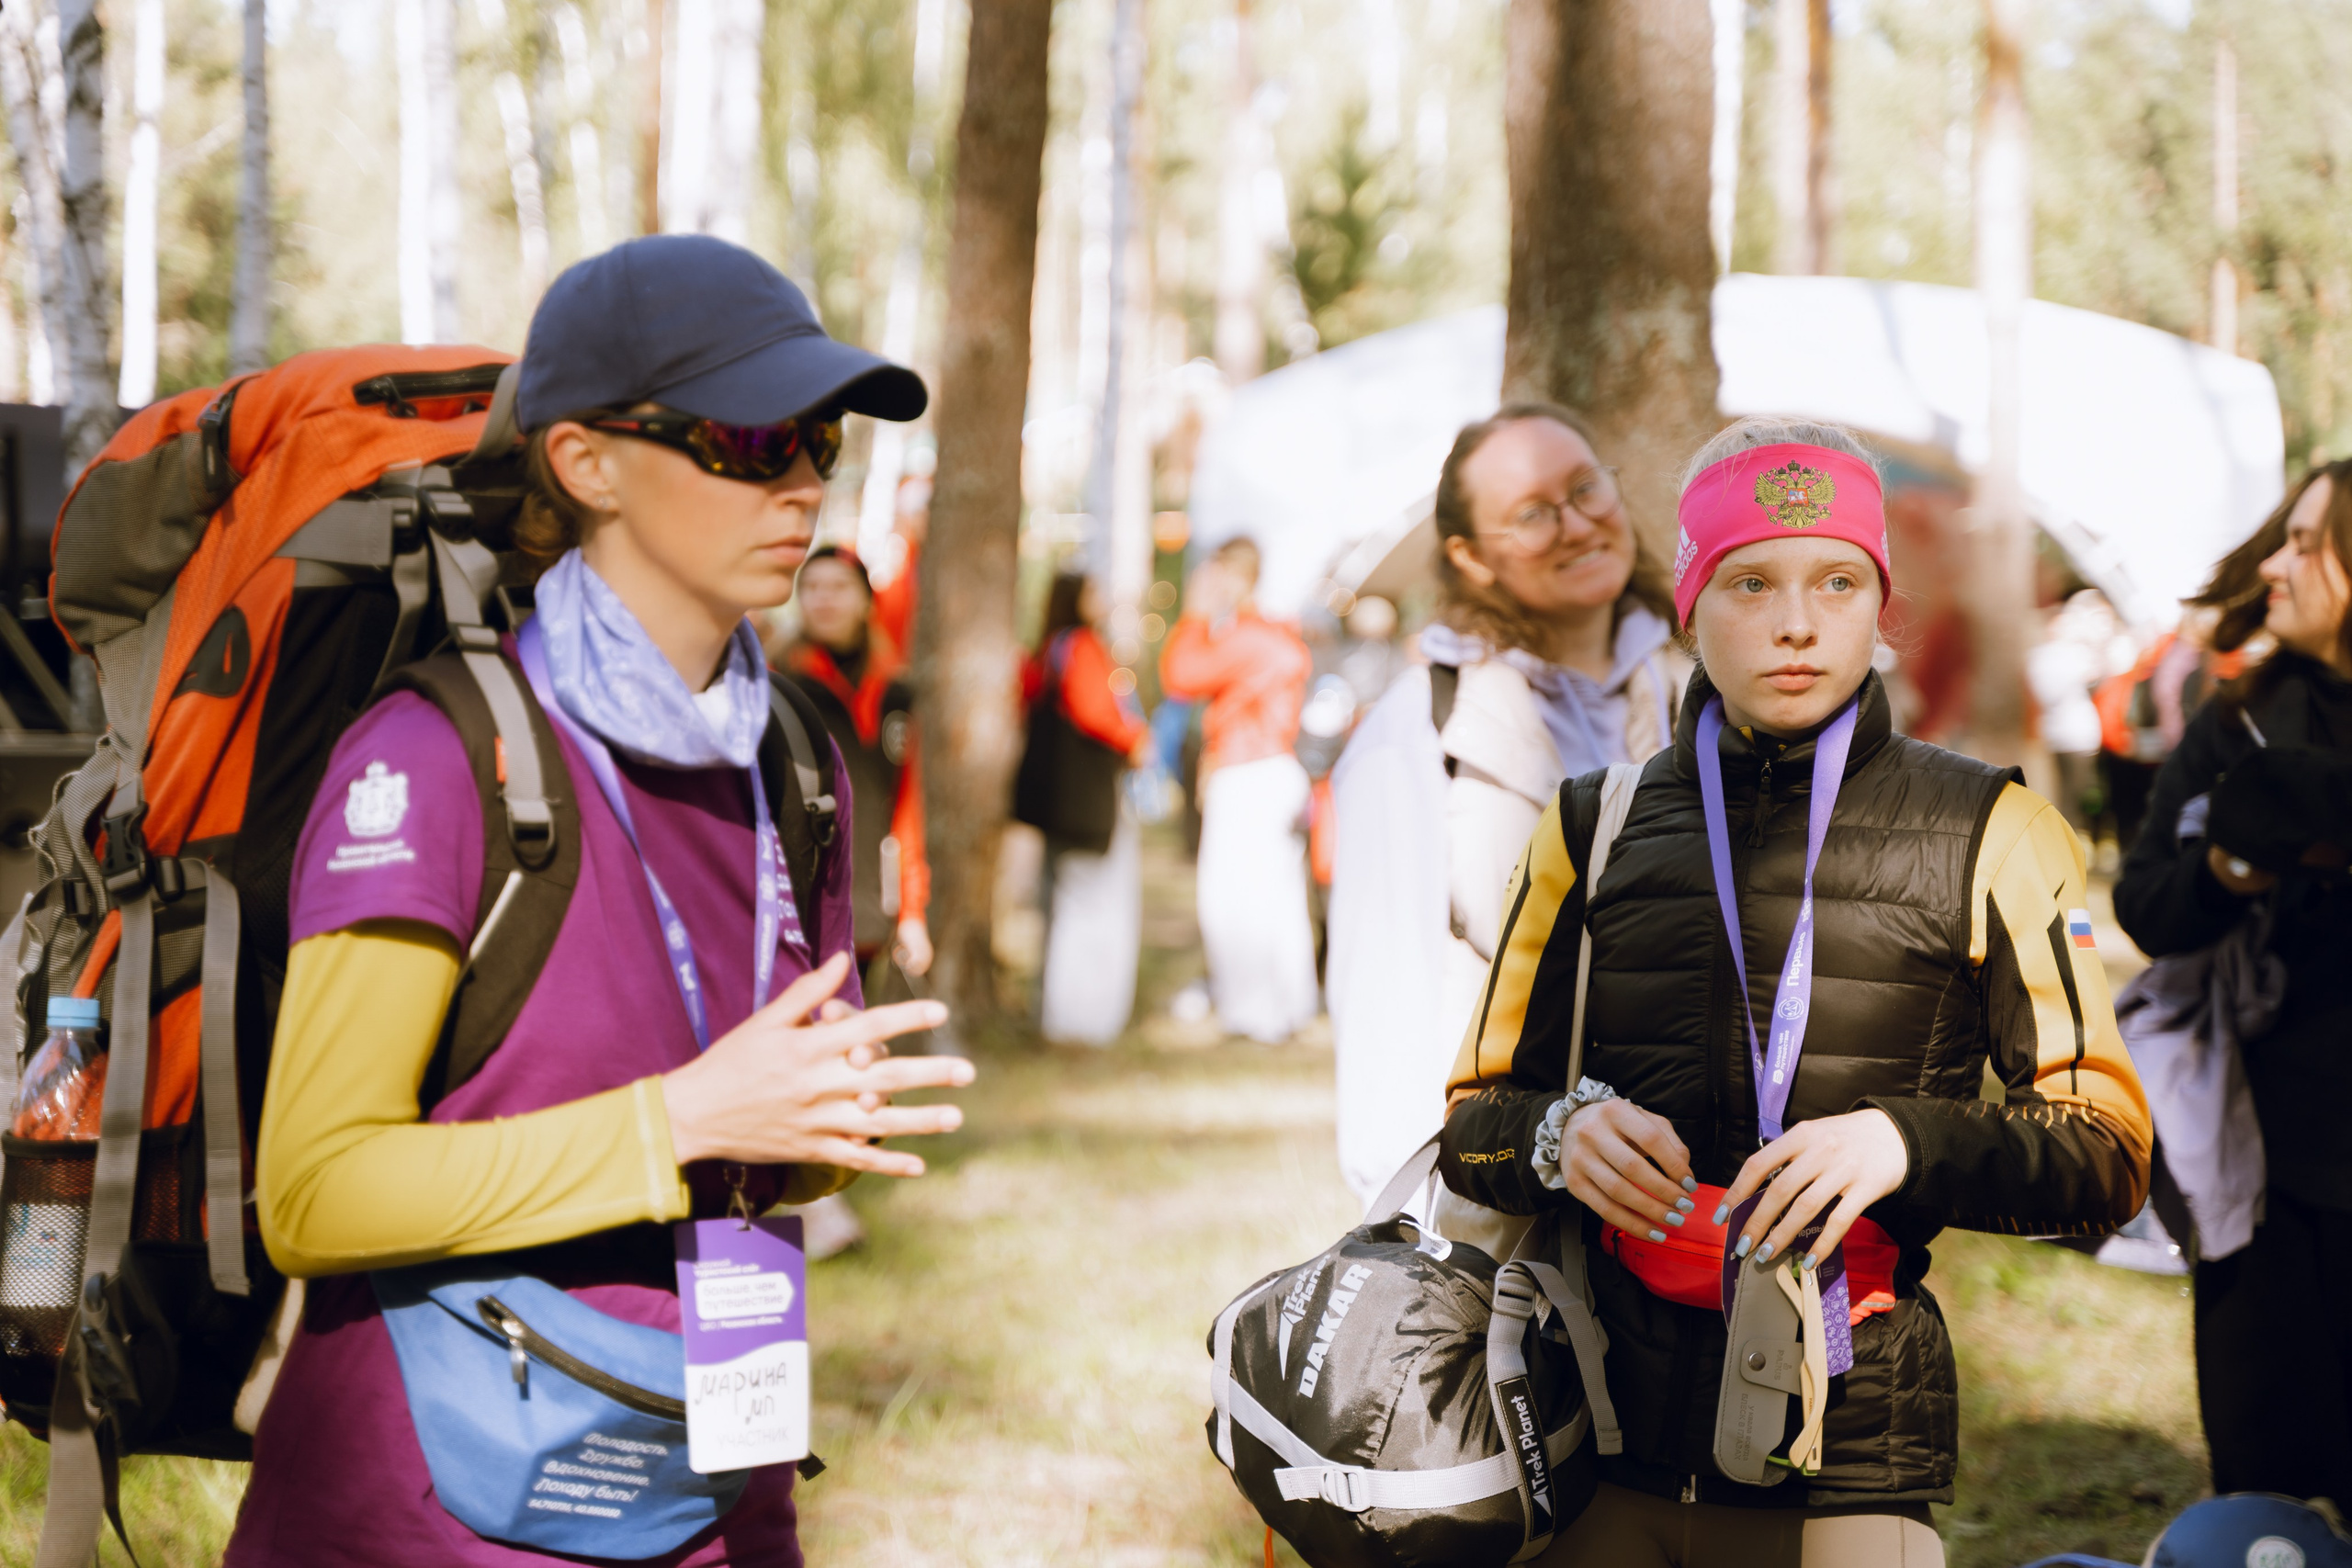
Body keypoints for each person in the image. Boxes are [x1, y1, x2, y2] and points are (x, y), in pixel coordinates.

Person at [232, 234, 975, 1566]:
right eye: (755, 438)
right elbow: (313, 1187)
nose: (804, 479)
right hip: (429, 1517)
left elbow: (783, 1123)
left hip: (715, 1480)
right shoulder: (437, 757)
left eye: (822, 440)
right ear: (587, 462)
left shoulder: (795, 757)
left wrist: (815, 1128)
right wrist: (681, 1119)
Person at [1438, 416, 2152, 1567]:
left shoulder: (1996, 831)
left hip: (1849, 1445)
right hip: (1598, 1433)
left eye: (1835, 580)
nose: (1794, 622)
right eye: (1747, 581)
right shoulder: (1587, 827)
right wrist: (1556, 1137)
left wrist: (1903, 1143)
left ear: (1881, 603)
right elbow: (1471, 1127)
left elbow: (2109, 1154)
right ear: (1686, 603)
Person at [1327, 401, 1688, 1202]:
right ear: (1469, 556)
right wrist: (1410, 1230)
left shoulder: (1698, 693)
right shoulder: (1422, 728)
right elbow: (1384, 993)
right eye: (1530, 514)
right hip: (1511, 1200)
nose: (1574, 524)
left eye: (1586, 489)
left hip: (1687, 1188)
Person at [2113, 457, 2352, 1508]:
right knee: (2271, 1489)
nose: (2280, 564)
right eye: (2284, 538)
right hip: (2268, 1178)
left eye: (2309, 543)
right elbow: (2145, 902)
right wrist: (2226, 871)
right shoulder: (2238, 719)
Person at [1159, 536, 1318, 1043]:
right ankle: (1286, 1007)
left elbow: (1180, 676)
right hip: (1267, 771)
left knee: (1232, 896)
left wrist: (1193, 616)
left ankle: (1253, 1015)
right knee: (1274, 894)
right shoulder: (1273, 635)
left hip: (1250, 771)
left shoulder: (1250, 638)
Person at [778, 544, 932, 981]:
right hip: (793, 907)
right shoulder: (776, 680)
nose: (824, 598)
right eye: (811, 587)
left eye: (839, 587)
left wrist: (911, 910)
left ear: (866, 600)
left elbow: (904, 806)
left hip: (864, 903)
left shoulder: (894, 691)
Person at [1018, 571, 1149, 1043]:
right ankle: (1082, 1018)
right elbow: (1095, 710)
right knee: (1089, 905)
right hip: (1086, 800)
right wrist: (1138, 739)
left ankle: (1061, 1012)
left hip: (1057, 800)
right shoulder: (1082, 647)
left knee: (1063, 902)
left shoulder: (1047, 648)